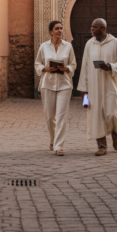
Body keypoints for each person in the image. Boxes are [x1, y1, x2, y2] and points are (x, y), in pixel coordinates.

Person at [77, 18, 117, 156]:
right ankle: (102, 146)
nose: (92, 29)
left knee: (112, 113)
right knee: (96, 116)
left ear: (103, 29)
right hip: (93, 87)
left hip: (111, 85)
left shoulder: (115, 43)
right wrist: (84, 90)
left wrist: (110, 66)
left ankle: (115, 134)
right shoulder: (89, 44)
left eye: (95, 27)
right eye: (92, 27)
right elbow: (85, 66)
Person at [35, 20, 77, 156]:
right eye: (57, 28)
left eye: (61, 28)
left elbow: (73, 65)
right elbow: (37, 64)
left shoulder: (68, 47)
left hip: (64, 85)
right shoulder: (43, 47)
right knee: (49, 117)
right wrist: (45, 68)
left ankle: (59, 146)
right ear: (51, 31)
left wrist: (66, 68)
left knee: (61, 116)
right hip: (47, 84)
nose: (60, 31)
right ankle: (53, 140)